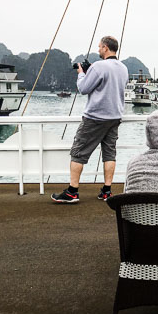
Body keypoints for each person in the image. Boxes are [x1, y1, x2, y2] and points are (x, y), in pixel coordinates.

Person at [51, 36, 129, 204]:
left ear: (106, 48)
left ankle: (72, 192)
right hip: (114, 117)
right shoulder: (123, 68)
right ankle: (107, 191)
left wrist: (81, 74)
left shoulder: (99, 66)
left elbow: (84, 88)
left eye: (100, 47)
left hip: (95, 118)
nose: (98, 50)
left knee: (78, 152)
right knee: (109, 153)